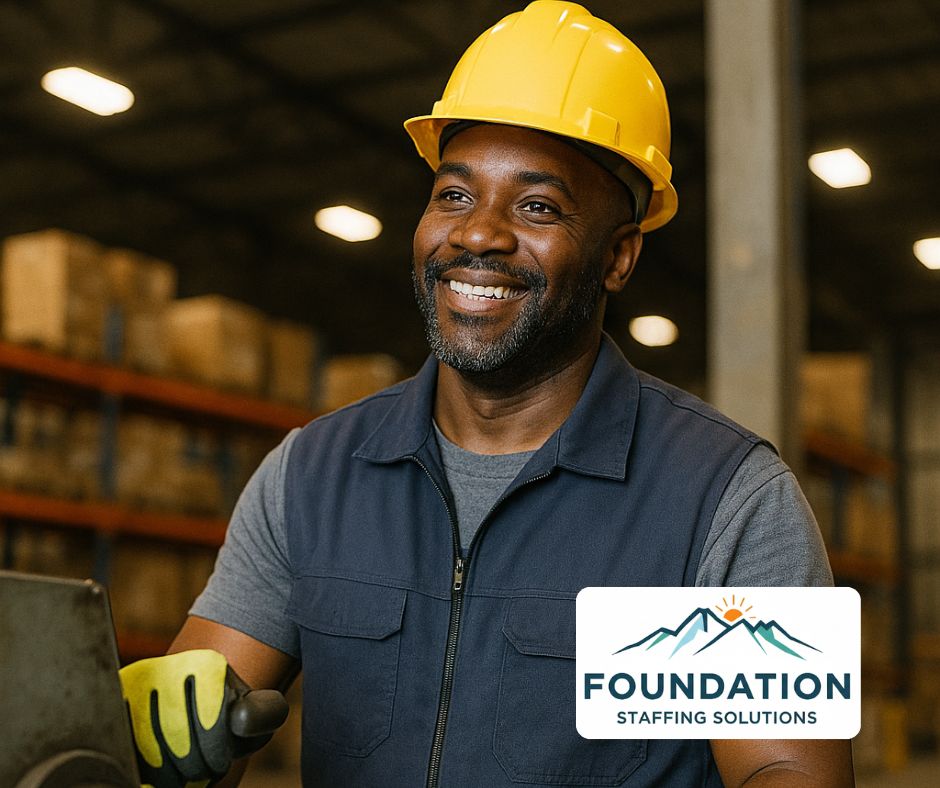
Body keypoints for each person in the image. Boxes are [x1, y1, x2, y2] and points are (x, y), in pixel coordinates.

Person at [120, 2, 855, 786]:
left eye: (538, 206)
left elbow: (787, 773)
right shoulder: (314, 476)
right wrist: (165, 739)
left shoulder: (721, 500)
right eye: (454, 194)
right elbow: (196, 733)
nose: (478, 234)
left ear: (619, 257)